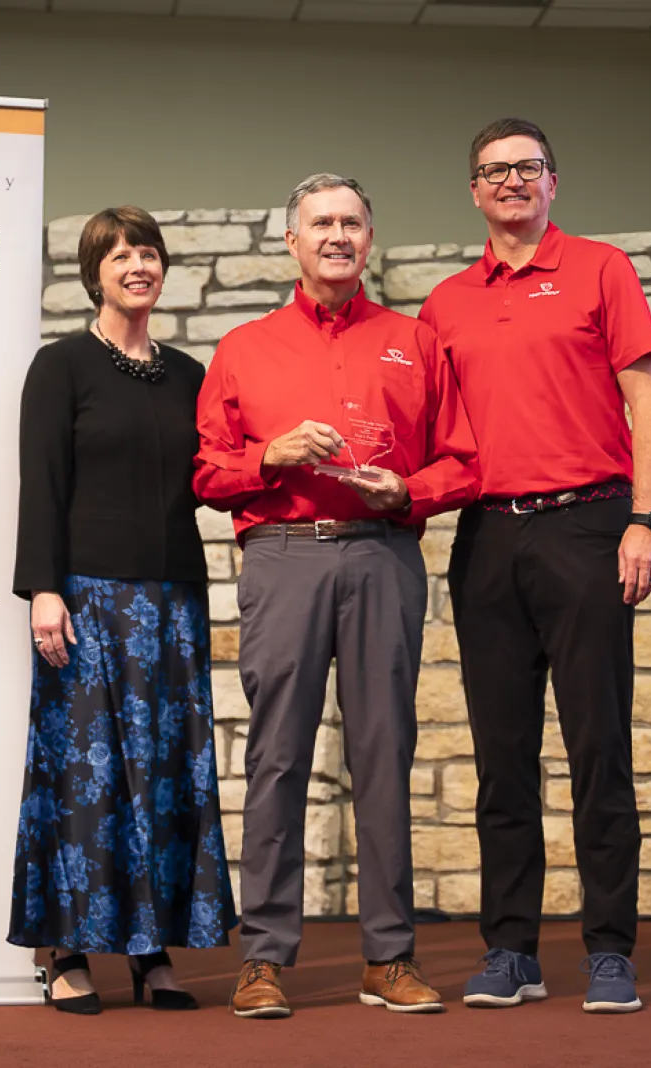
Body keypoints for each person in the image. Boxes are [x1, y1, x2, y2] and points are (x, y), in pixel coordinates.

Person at [195, 174, 480, 1019]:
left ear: (369, 239)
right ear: (292, 241)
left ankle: (388, 958)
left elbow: (461, 461)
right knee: (277, 756)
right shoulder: (245, 348)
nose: (337, 236)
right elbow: (207, 472)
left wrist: (410, 492)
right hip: (283, 553)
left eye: (352, 223)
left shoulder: (416, 342)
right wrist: (271, 456)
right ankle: (264, 960)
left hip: (382, 555)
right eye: (321, 223)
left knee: (384, 752)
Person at [419, 118, 651, 1014]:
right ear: (475, 192)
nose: (512, 182)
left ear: (553, 182)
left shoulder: (602, 269)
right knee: (502, 758)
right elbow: (430, 434)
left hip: (588, 526)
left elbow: (646, 394)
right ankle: (511, 950)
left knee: (599, 744)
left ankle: (609, 950)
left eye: (527, 168)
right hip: (486, 540)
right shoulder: (445, 302)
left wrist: (647, 519)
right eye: (494, 171)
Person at [9, 206, 236, 1015]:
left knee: (165, 776)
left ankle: (151, 948)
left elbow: (215, 477)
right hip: (89, 599)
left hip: (174, 598)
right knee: (87, 778)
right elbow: (43, 482)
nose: (136, 265)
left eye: (147, 252)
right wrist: (44, 589)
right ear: (94, 273)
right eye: (118, 255)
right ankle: (65, 947)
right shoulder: (61, 366)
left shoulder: (187, 375)